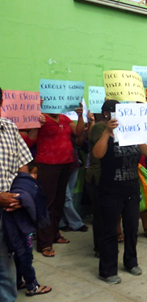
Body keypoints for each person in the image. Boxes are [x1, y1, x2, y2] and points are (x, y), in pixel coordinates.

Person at [92, 100, 147, 284]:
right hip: (110, 191)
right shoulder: (106, 133)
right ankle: (107, 270)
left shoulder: (134, 134)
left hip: (132, 190)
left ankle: (131, 262)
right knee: (110, 232)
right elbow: (97, 154)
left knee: (132, 229)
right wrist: (107, 132)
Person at [35, 103, 85, 257]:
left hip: (66, 164)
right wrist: (37, 118)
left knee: (59, 201)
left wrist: (80, 116)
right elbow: (30, 137)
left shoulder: (64, 118)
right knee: (47, 203)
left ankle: (55, 234)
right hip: (47, 165)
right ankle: (44, 243)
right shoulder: (41, 118)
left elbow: (78, 132)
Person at [0, 86, 34, 302]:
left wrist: (19, 194)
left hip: (8, 212)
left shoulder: (9, 129)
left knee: (5, 267)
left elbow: (23, 164)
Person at [3, 160, 52, 296]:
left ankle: (18, 281)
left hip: (18, 231)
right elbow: (32, 208)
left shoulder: (16, 188)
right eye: (31, 173)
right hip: (24, 231)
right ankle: (32, 285)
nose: (33, 177)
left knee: (18, 256)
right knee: (25, 257)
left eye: (36, 173)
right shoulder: (22, 191)